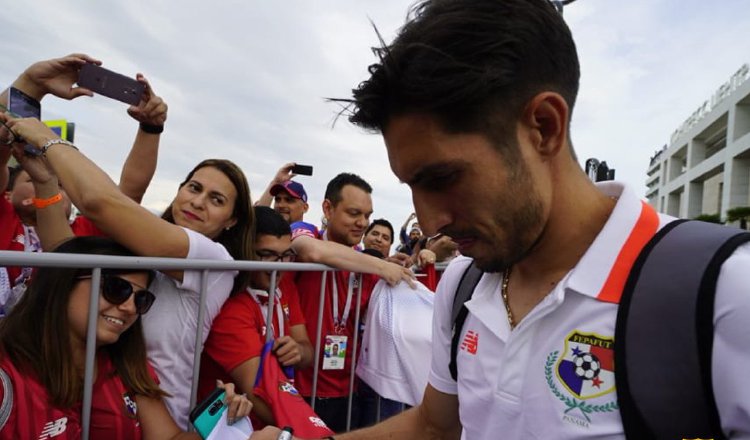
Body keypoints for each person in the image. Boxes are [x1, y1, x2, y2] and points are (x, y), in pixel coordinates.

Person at [252, 0, 750, 438]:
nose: (430, 221)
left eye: (443, 177)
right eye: (411, 188)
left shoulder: (726, 295)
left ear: (544, 127)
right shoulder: (463, 287)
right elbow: (434, 426)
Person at [5, 114, 255, 429]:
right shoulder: (141, 249)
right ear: (179, 190)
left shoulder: (214, 261)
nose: (199, 202)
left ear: (231, 220)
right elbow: (65, 258)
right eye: (194, 188)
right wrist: (45, 182)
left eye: (216, 200)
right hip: (97, 402)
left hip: (158, 421)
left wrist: (48, 139)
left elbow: (100, 202)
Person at [0, 236, 251, 439]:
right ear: (63, 282)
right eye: (117, 289)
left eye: (141, 299)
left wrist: (220, 425)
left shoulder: (126, 366)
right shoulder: (8, 375)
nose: (130, 307)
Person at [0, 53, 167, 315]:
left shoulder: (83, 233)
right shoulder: (5, 219)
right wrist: (30, 84)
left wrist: (151, 128)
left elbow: (128, 194)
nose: (50, 185)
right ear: (8, 194)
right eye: (30, 179)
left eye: (63, 184)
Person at [289, 172, 415, 432]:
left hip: (349, 390)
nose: (362, 223)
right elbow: (311, 250)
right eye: (354, 213)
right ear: (328, 208)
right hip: (301, 387)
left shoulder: (362, 262)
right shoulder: (307, 232)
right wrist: (380, 265)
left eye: (367, 216)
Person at [198, 206, 313, 428]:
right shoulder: (229, 307)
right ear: (245, 250)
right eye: (267, 255)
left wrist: (298, 351)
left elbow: (308, 351)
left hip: (276, 424)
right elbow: (260, 393)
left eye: (285, 256)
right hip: (235, 429)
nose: (278, 267)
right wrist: (309, 431)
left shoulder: (285, 284)